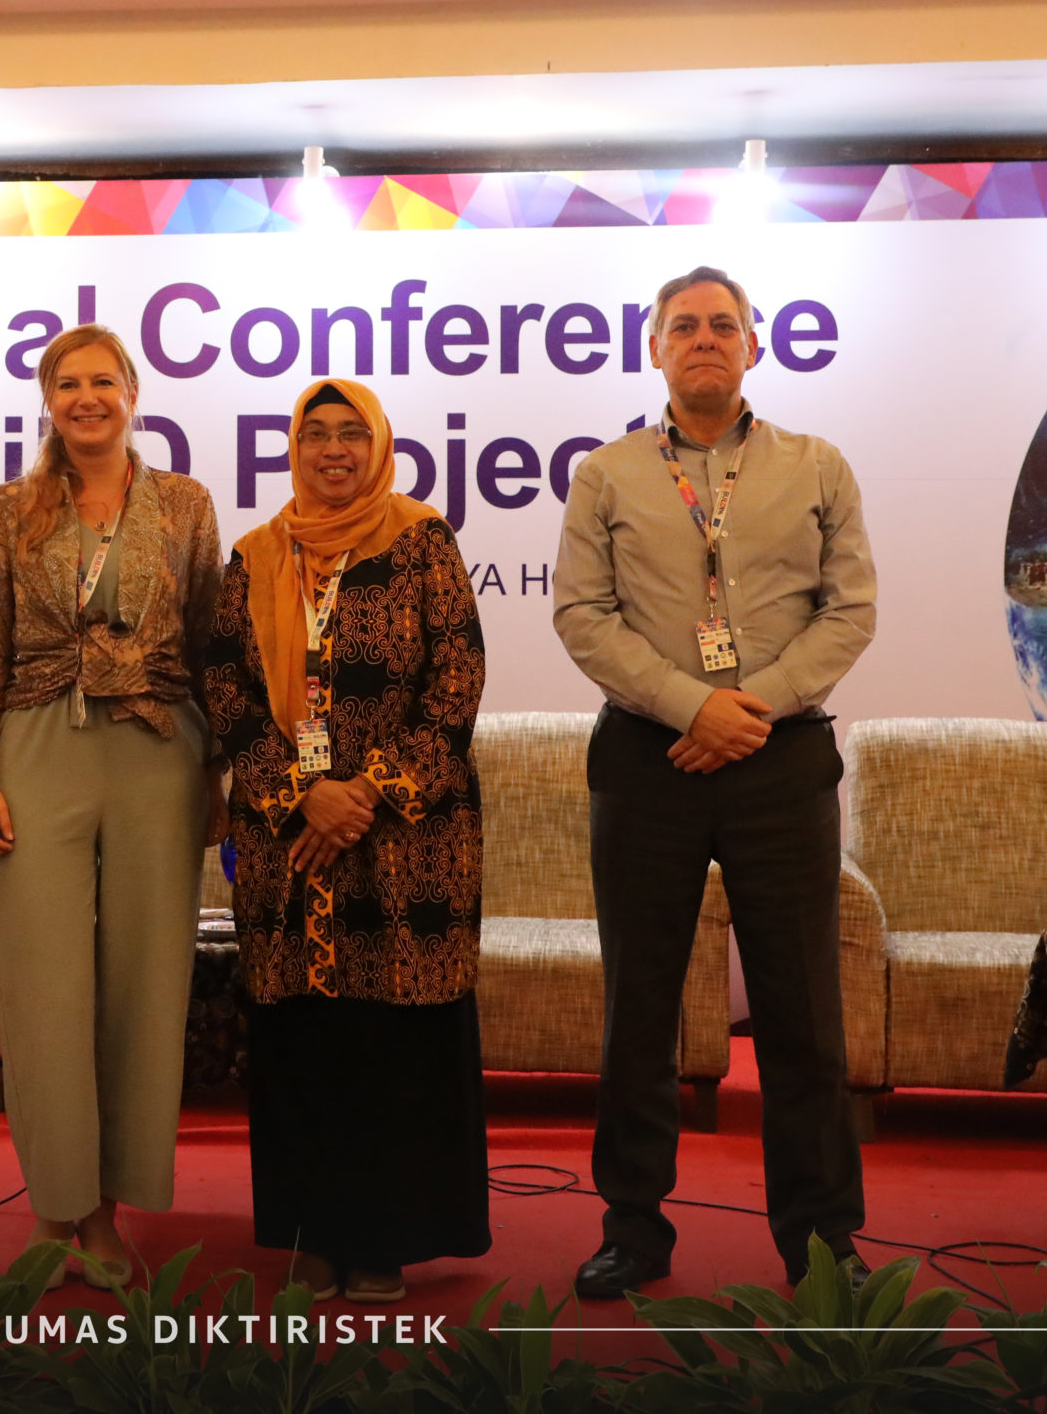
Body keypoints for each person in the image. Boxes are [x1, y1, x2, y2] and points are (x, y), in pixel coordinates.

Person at [553, 264, 876, 1298]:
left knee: (802, 1017)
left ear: (753, 346)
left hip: (781, 760)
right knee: (638, 1012)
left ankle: (822, 1243)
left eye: (722, 325)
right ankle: (632, 1230)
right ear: (654, 348)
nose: (704, 339)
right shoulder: (606, 474)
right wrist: (689, 707)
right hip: (647, 759)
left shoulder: (817, 465)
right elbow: (580, 614)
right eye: (684, 325)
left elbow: (850, 610)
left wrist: (751, 706)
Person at [0, 323, 225, 1290]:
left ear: (134, 392)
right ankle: (56, 1205)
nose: (87, 397)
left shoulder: (185, 504)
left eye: (104, 380)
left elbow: (209, 642)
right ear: (48, 399)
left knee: (147, 982)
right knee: (44, 987)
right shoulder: (9, 508)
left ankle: (110, 1209)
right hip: (37, 744)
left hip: (158, 750)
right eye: (68, 383)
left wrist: (218, 776)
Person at [206, 378, 490, 1304]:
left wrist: (366, 794)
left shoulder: (422, 540)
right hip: (287, 846)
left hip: (407, 845)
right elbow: (225, 688)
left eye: (350, 434)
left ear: (378, 446)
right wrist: (302, 796)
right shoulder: (255, 554)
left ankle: (385, 1238)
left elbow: (457, 679)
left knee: (392, 1044)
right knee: (301, 1043)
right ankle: (312, 1234)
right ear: (293, 447)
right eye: (316, 434)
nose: (333, 450)